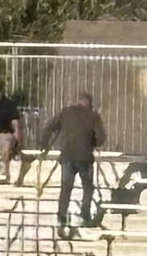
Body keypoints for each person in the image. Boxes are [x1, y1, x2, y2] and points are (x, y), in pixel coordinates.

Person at [41, 91, 106, 235]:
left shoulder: (66, 112)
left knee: (65, 189)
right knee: (88, 188)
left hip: (67, 156)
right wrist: (91, 143)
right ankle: (85, 215)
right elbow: (101, 138)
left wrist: (43, 145)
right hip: (84, 157)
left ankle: (62, 218)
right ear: (90, 103)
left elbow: (48, 127)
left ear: (78, 101)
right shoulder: (93, 116)